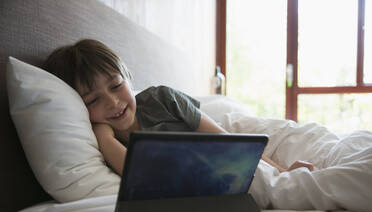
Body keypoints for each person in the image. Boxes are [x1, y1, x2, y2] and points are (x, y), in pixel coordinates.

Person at [43, 39, 314, 176]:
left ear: (128, 78)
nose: (113, 103)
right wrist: (103, 135)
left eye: (115, 86)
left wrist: (281, 173)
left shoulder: (164, 98)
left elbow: (226, 140)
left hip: (218, 159)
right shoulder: (102, 137)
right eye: (93, 100)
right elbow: (135, 170)